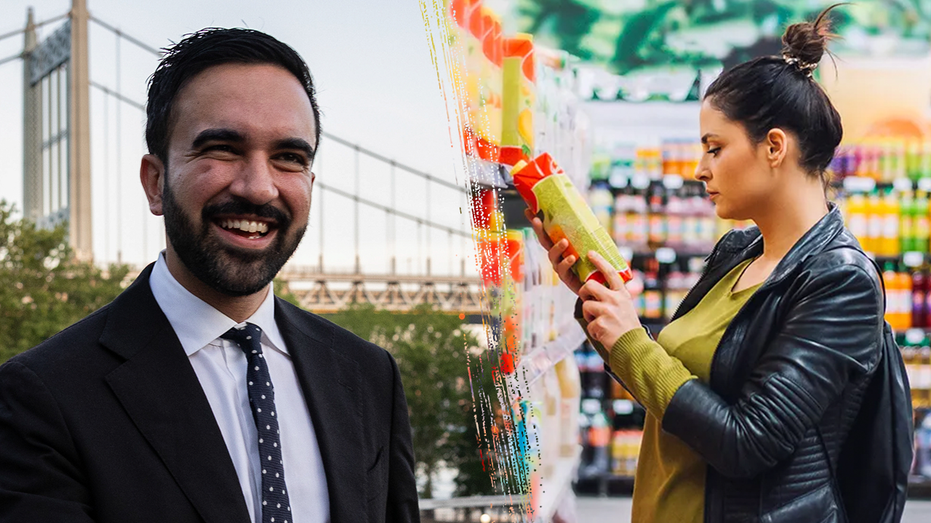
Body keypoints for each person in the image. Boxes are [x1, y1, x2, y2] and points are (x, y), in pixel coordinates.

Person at [0, 28, 419, 523]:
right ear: (155, 183)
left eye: (289, 157)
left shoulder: (368, 375)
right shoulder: (41, 396)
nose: (260, 189)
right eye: (222, 148)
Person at [528, 6, 895, 523]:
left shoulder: (840, 282)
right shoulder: (735, 254)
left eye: (714, 148)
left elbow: (748, 442)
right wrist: (597, 300)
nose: (700, 169)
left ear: (774, 147)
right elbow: (670, 385)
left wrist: (632, 341)